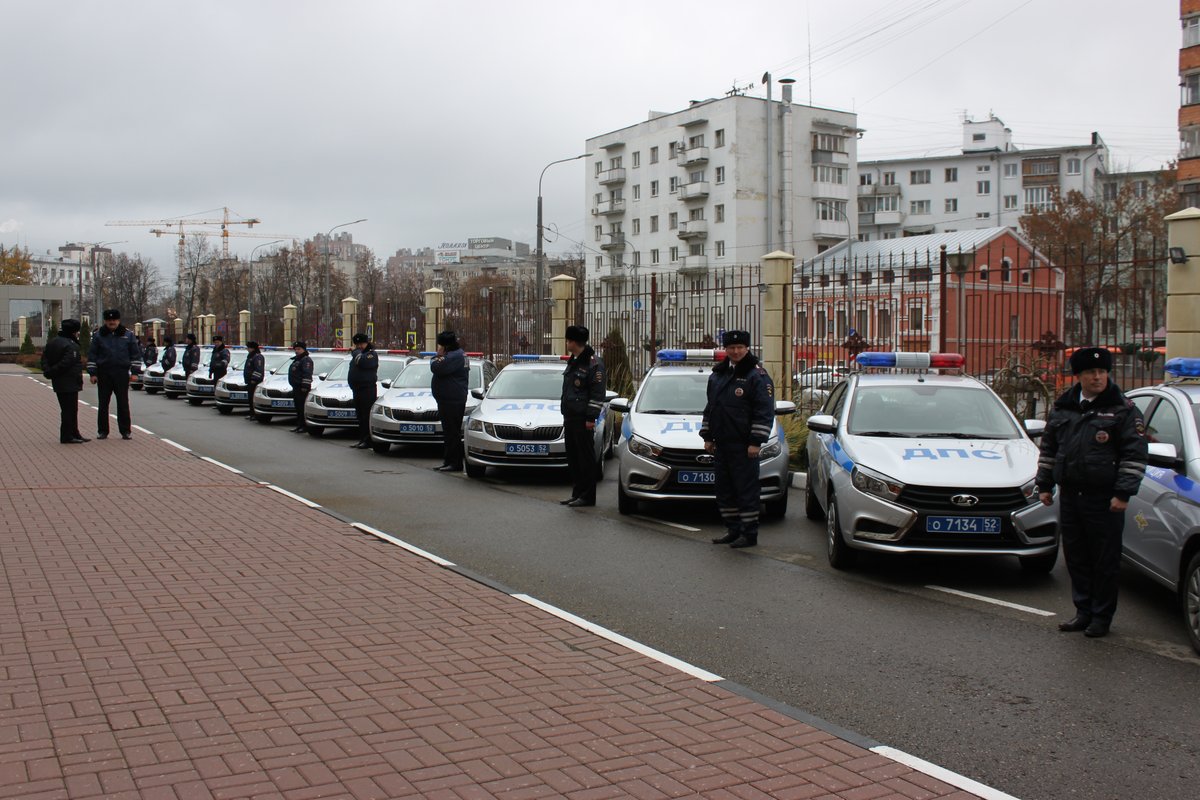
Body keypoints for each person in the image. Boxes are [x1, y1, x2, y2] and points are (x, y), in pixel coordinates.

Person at [1037, 346, 1148, 638]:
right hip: (1072, 495)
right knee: (1076, 557)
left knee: (1105, 560)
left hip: (1105, 498)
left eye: (1101, 372)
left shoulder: (1123, 409)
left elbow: (1134, 456)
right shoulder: (1064, 407)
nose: (1097, 377)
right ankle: (1082, 611)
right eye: (1090, 372)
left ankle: (1101, 617)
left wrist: (1123, 493)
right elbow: (1049, 449)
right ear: (1079, 376)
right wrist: (1045, 485)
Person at [700, 330, 775, 549]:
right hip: (722, 443)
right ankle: (733, 529)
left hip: (744, 446)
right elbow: (710, 408)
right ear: (726, 349)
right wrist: (707, 436)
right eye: (731, 348)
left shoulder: (757, 376)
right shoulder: (718, 374)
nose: (735, 351)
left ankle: (749, 533)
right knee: (725, 490)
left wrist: (756, 441)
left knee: (746, 490)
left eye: (740, 347)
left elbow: (764, 411)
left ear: (747, 348)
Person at [559, 325, 606, 507]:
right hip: (570, 417)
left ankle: (587, 496)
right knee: (573, 458)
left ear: (573, 342)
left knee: (585, 458)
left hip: (583, 419)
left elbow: (597, 394)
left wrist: (590, 418)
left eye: (568, 340)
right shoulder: (575, 360)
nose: (566, 343)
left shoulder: (594, 363)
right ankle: (577, 492)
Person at [87, 308, 142, 440]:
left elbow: (135, 355)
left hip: (121, 373)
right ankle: (102, 431)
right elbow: (92, 355)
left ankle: (125, 431)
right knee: (103, 404)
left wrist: (135, 373)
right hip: (104, 373)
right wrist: (92, 374)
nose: (112, 322)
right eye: (109, 320)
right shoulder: (98, 335)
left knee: (123, 403)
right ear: (105, 321)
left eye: (114, 320)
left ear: (118, 320)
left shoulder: (128, 335)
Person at [41, 319, 88, 444]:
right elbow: (66, 363)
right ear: (73, 331)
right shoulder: (71, 345)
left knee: (69, 409)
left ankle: (74, 433)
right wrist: (52, 372)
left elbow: (44, 358)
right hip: (70, 380)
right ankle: (67, 435)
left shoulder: (52, 342)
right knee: (69, 409)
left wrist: (48, 372)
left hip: (60, 381)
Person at [430, 330, 468, 470]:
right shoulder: (457, 354)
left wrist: (435, 357)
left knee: (452, 433)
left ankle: (455, 463)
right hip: (449, 398)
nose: (438, 348)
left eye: (440, 346)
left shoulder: (454, 356)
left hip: (452, 400)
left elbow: (437, 367)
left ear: (446, 346)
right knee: (449, 432)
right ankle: (449, 460)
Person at [347, 332, 379, 448]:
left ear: (367, 343)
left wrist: (355, 352)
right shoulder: (358, 355)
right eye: (357, 344)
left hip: (367, 389)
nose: (359, 346)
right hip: (357, 389)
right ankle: (362, 439)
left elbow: (362, 362)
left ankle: (368, 440)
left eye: (361, 344)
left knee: (366, 416)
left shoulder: (371, 354)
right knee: (360, 416)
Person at [288, 340, 314, 433]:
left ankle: (303, 426)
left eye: (299, 349)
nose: (296, 351)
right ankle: (299, 425)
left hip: (302, 388)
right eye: (295, 349)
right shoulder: (297, 359)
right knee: (298, 407)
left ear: (303, 349)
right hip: (296, 387)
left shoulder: (306, 360)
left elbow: (307, 374)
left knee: (302, 407)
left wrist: (304, 386)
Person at [243, 340, 265, 421]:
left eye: (248, 348)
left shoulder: (258, 357)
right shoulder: (251, 356)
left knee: (253, 398)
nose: (247, 349)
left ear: (253, 348)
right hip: (249, 381)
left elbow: (258, 370)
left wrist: (254, 379)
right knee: (250, 398)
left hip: (254, 382)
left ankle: (254, 414)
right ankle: (251, 413)